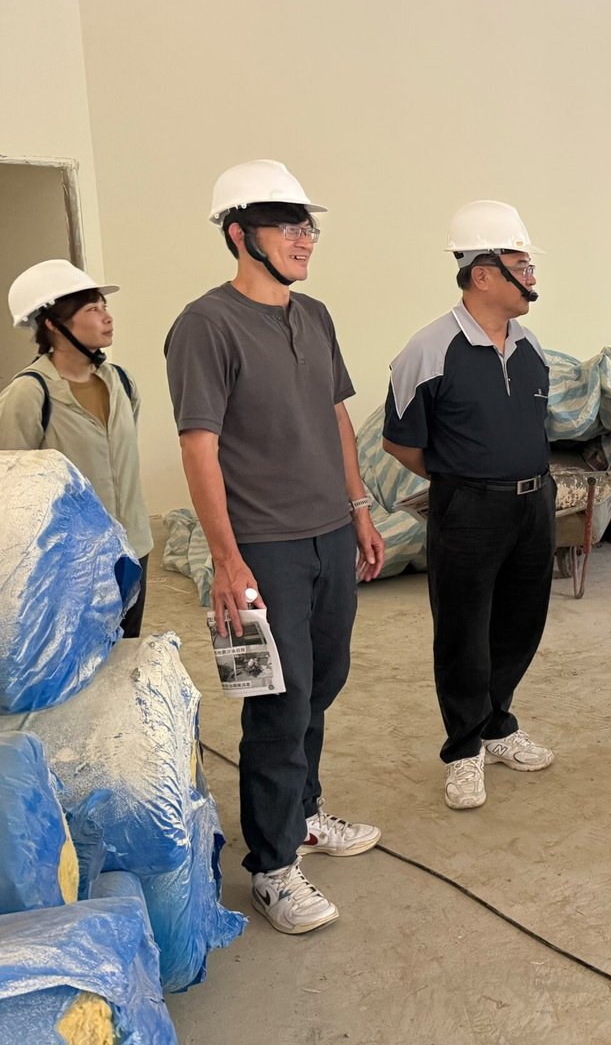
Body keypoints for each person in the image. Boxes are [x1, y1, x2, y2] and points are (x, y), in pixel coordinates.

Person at [165, 159, 385, 936]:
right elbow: (198, 447)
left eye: (308, 226)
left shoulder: (314, 315)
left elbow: (336, 416)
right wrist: (227, 561)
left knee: (322, 682)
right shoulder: (205, 325)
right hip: (262, 548)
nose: (305, 239)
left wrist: (359, 509)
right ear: (239, 234)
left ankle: (303, 811)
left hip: (329, 533)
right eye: (288, 226)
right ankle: (272, 866)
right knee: (276, 703)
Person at [383, 200, 556, 812]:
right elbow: (401, 441)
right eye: (520, 265)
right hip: (468, 509)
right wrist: (462, 480)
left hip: (534, 505)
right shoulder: (429, 350)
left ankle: (496, 724)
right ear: (483, 274)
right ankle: (463, 749)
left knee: (520, 623)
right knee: (463, 632)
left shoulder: (531, 346)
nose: (531, 276)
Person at [3, 260, 153, 637]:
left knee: (125, 652)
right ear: (53, 324)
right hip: (71, 561)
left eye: (105, 306)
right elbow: (12, 492)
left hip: (133, 547)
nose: (107, 317)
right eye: (92, 309)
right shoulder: (30, 393)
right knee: (80, 661)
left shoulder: (121, 382)